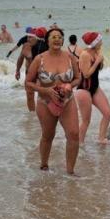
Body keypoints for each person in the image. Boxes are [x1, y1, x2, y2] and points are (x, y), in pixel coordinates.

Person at [24, 28, 81, 174]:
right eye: (54, 37)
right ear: (47, 40)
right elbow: (28, 83)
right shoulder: (39, 59)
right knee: (48, 135)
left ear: (63, 40)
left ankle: (70, 171)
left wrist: (70, 85)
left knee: (74, 134)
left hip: (67, 100)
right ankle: (44, 164)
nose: (57, 39)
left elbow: (78, 78)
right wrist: (46, 90)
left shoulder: (70, 57)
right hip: (45, 102)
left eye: (60, 37)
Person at [76, 32, 110, 144]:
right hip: (84, 90)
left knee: (108, 113)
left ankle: (101, 139)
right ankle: (79, 143)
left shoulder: (96, 52)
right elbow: (86, 74)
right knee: (86, 121)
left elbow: (98, 70)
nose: (101, 42)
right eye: (100, 40)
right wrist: (96, 62)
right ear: (95, 42)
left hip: (95, 88)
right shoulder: (84, 54)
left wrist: (100, 61)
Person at [15, 28, 48, 112]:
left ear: (36, 37)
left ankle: (44, 113)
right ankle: (32, 115)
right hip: (29, 73)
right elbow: (20, 58)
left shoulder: (45, 46)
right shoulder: (26, 46)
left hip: (42, 73)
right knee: (30, 95)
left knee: (43, 94)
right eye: (27, 37)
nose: (28, 39)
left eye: (30, 37)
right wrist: (17, 70)